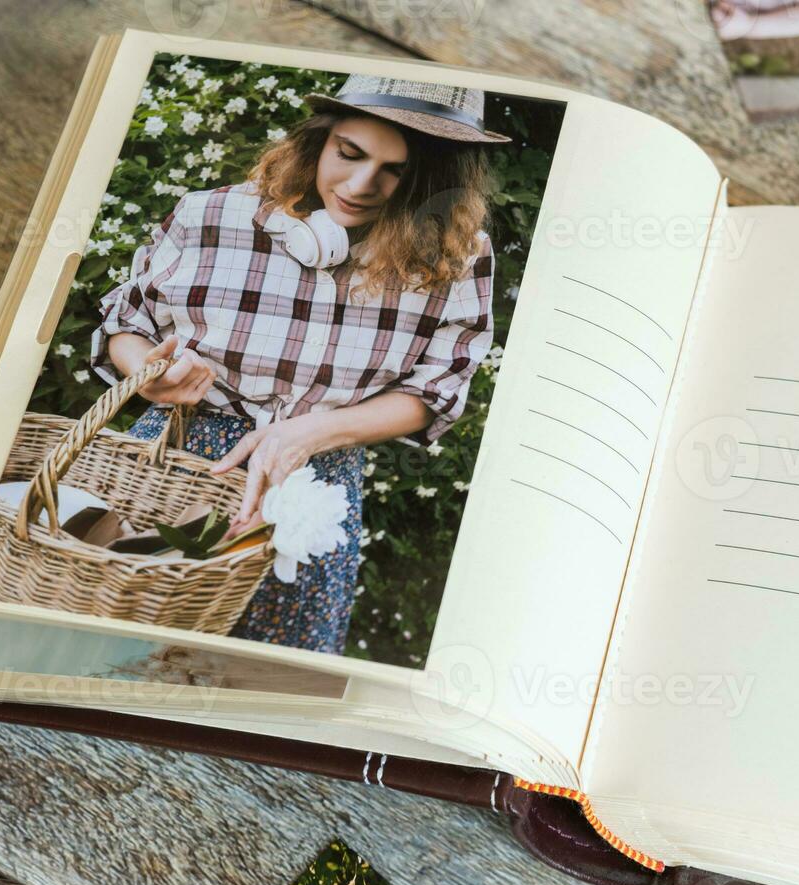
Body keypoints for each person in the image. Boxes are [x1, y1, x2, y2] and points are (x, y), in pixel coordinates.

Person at [89, 73, 509, 654]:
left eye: (397, 170)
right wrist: (151, 373)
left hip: (313, 485)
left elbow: (439, 389)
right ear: (321, 138)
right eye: (349, 153)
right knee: (107, 651)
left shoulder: (460, 257)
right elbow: (126, 324)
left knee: (262, 682)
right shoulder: (210, 215)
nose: (362, 185)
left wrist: (309, 432)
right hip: (171, 458)